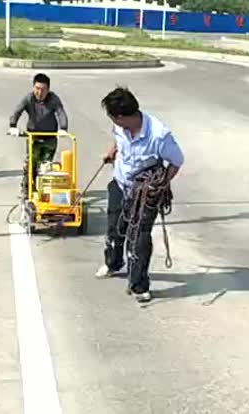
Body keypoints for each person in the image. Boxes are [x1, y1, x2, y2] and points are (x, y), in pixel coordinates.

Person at [95, 87, 184, 303]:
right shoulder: (120, 127)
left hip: (145, 193)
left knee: (139, 238)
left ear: (122, 116)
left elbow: (177, 161)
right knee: (115, 228)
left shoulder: (159, 135)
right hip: (120, 183)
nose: (112, 122)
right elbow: (119, 139)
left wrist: (160, 185)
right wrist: (112, 152)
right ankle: (113, 262)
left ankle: (139, 285)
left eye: (113, 118)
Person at [8, 73, 69, 197]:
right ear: (33, 87)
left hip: (50, 139)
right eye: (37, 88)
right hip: (33, 137)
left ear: (48, 90)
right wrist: (12, 126)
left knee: (45, 167)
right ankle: (26, 189)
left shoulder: (53, 99)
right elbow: (17, 111)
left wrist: (63, 128)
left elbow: (61, 112)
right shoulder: (28, 99)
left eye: (43, 89)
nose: (39, 93)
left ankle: (42, 190)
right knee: (30, 164)